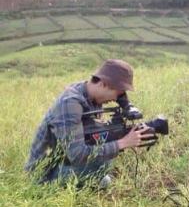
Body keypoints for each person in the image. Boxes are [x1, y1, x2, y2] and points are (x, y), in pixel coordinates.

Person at [25, 59, 154, 186]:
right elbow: (76, 154)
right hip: (44, 172)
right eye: (117, 94)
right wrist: (123, 143)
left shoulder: (89, 92)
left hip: (65, 160)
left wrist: (127, 106)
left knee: (104, 169)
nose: (116, 99)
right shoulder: (71, 103)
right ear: (103, 84)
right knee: (103, 169)